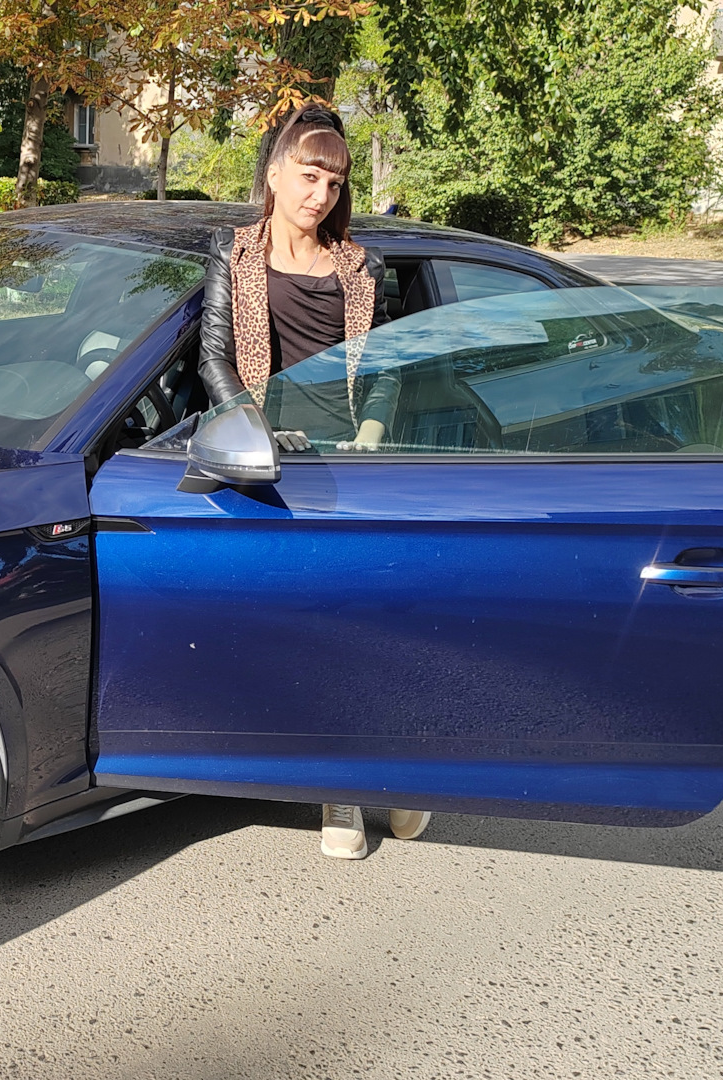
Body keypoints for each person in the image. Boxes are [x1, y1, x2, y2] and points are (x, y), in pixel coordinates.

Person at [196, 102, 431, 860]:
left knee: (353, 633)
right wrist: (250, 424)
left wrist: (371, 434)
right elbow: (213, 357)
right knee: (298, 632)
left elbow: (387, 369)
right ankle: (379, 775)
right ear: (274, 175)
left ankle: (358, 786)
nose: (321, 194)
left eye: (334, 181)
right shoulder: (234, 254)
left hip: (347, 462)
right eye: (308, 176)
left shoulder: (359, 268)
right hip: (268, 458)